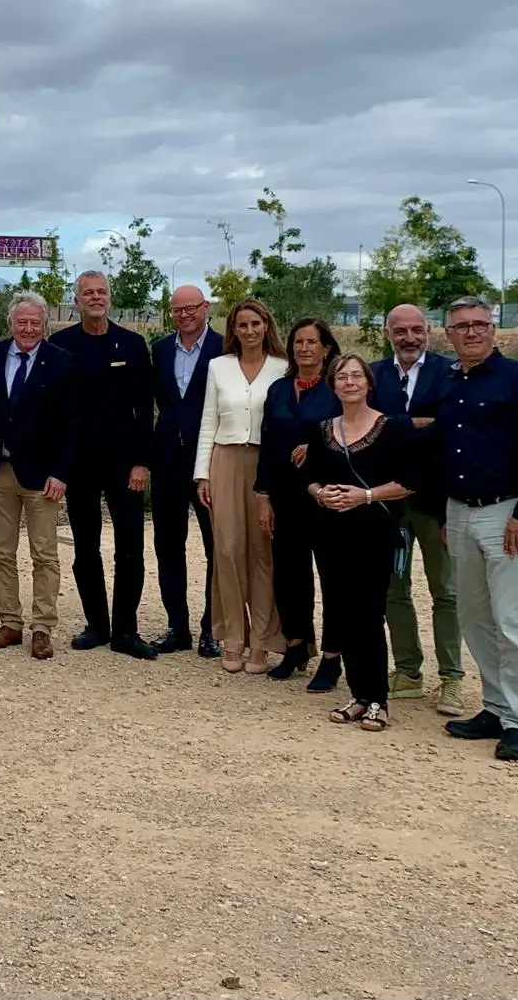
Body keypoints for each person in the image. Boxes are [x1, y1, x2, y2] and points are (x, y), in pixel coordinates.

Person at [435, 297, 518, 763]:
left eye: (479, 325)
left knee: (515, 622)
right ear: (448, 335)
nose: (471, 333)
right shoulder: (447, 383)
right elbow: (439, 450)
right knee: (474, 617)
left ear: (494, 330)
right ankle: (494, 705)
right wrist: (445, 517)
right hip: (460, 512)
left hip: (507, 513)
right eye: (461, 327)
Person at [302, 354, 425, 732]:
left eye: (357, 376)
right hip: (331, 531)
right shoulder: (322, 429)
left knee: (369, 612)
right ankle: (358, 695)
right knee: (341, 610)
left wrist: (365, 495)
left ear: (369, 384)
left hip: (374, 531)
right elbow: (309, 476)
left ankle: (378, 699)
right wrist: (321, 494)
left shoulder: (393, 428)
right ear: (333, 385)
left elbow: (410, 481)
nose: (350, 382)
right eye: (342, 376)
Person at [51, 271, 156, 659]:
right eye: (87, 293)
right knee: (85, 547)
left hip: (124, 463)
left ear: (109, 299)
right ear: (76, 300)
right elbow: (56, 409)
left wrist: (142, 462)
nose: (95, 298)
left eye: (101, 292)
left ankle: (126, 630)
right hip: (79, 464)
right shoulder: (61, 345)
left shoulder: (131, 344)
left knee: (130, 545)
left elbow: (145, 410)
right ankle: (97, 624)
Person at [373, 303, 464, 717]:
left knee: (445, 591)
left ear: (428, 331)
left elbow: (449, 428)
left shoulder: (449, 373)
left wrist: (394, 425)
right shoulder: (374, 375)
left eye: (416, 330)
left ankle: (452, 678)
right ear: (387, 332)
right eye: (400, 331)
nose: (409, 338)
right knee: (394, 588)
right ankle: (407, 671)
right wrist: (413, 424)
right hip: (390, 503)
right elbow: (368, 427)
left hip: (436, 502)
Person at [0, 291, 76, 662]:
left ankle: (41, 627)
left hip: (42, 476)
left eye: (36, 322)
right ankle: (10, 623)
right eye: (23, 322)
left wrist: (61, 471)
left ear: (45, 325)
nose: (29, 329)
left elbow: (71, 423)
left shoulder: (62, 362)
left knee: (44, 554)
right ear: (11, 324)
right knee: (1, 552)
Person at [193, 299, 289, 675]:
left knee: (262, 552)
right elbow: (207, 421)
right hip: (225, 461)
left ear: (267, 325)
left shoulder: (283, 368)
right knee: (228, 552)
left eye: (255, 324)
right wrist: (202, 474)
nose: (249, 331)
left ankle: (263, 641)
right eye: (242, 325)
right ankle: (233, 636)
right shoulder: (219, 366)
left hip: (267, 466)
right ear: (233, 329)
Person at [257, 317, 342, 687]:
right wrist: (263, 495)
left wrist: (317, 444)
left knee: (332, 576)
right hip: (284, 495)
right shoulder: (277, 390)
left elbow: (353, 432)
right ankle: (296, 644)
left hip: (326, 495)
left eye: (312, 342)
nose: (304, 348)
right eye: (298, 342)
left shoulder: (337, 388)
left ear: (326, 348)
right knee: (290, 574)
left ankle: (332, 656)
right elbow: (267, 444)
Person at [150, 285, 225, 657]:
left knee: (216, 546)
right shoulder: (161, 349)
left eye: (191, 308)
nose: (184, 315)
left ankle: (212, 628)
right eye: (177, 310)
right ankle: (177, 626)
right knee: (167, 545)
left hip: (211, 462)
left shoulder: (225, 349)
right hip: (167, 461)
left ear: (205, 308)